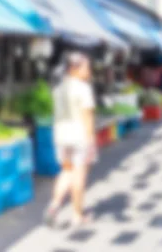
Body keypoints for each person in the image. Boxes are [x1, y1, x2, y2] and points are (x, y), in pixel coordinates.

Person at [44, 52, 97, 227]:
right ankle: (77, 215)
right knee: (79, 174)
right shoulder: (83, 88)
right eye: (86, 67)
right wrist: (91, 141)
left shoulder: (58, 89)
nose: (89, 71)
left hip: (61, 136)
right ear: (74, 69)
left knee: (66, 171)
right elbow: (87, 117)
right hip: (79, 137)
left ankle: (54, 206)